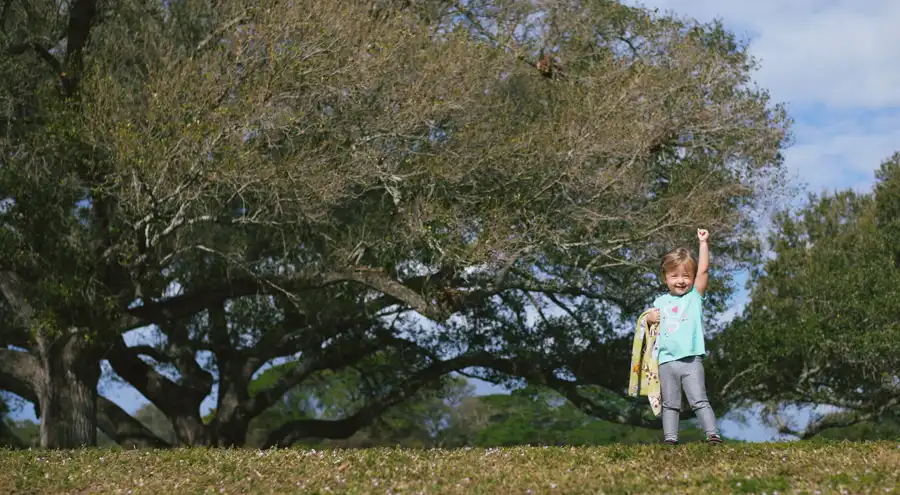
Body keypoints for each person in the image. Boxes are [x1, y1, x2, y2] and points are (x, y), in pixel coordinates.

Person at [645, 228, 722, 445]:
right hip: (666, 361)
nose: (681, 280)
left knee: (699, 400)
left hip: (691, 360)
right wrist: (649, 318)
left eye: (686, 275)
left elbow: (704, 271)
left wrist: (703, 243)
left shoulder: (694, 297)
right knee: (670, 404)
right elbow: (648, 327)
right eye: (675, 275)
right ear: (665, 278)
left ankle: (712, 435)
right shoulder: (659, 302)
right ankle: (670, 439)